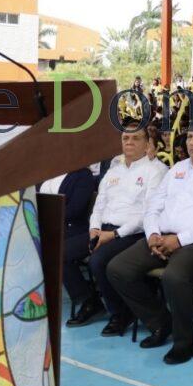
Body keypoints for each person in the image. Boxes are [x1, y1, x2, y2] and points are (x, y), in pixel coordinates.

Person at [108, 119, 193, 364]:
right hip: (163, 237)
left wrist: (179, 240)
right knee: (118, 268)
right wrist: (152, 234)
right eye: (190, 136)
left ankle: (185, 342)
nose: (192, 141)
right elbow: (154, 206)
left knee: (175, 276)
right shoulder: (178, 169)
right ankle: (162, 323)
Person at [66, 128, 167, 336]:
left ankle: (120, 313)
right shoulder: (113, 171)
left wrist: (114, 234)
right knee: (62, 254)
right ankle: (89, 300)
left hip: (133, 233)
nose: (129, 142)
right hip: (103, 230)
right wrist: (94, 228)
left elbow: (148, 214)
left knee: (98, 260)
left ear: (148, 144)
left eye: (136, 138)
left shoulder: (155, 170)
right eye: (125, 138)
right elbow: (99, 206)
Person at [44, 166, 101, 325]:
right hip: (49, 226)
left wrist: (45, 217)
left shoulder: (82, 174)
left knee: (55, 251)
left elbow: (75, 210)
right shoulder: (43, 173)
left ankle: (88, 300)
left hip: (76, 228)